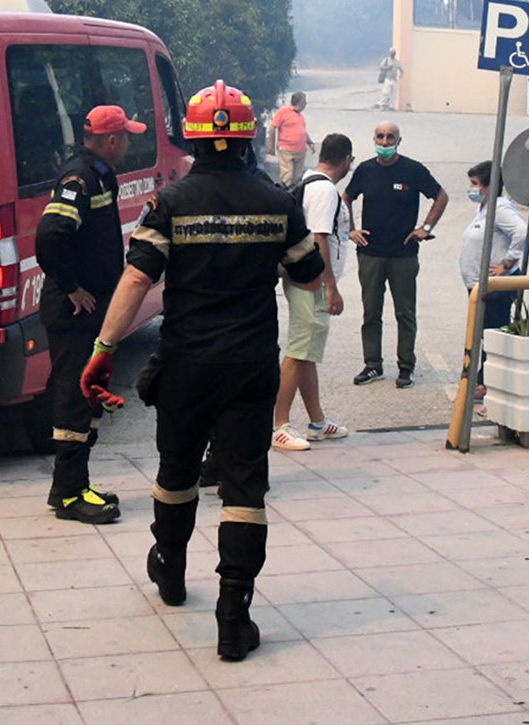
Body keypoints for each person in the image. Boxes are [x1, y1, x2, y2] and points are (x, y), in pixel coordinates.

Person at [82, 80, 324, 662]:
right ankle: (233, 618)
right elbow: (310, 276)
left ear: (192, 137)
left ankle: (169, 567)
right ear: (245, 142)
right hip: (249, 364)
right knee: (244, 484)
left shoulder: (170, 202)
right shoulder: (277, 202)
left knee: (177, 468)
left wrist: (103, 347)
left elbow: (138, 278)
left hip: (186, 361)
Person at [34, 104, 146, 524]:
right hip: (72, 312)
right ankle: (69, 495)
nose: (130, 144)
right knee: (74, 395)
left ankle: (75, 484)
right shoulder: (79, 177)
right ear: (112, 140)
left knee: (88, 393)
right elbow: (50, 235)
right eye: (128, 137)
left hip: (92, 308)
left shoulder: (100, 173)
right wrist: (72, 287)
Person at [344, 121, 448, 389]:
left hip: (403, 255)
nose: (385, 141)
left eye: (391, 137)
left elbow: (441, 196)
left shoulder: (413, 170)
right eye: (380, 136)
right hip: (370, 253)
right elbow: (346, 197)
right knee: (371, 313)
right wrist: (351, 230)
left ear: (399, 141)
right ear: (374, 139)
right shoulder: (365, 170)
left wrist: (425, 228)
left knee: (405, 313)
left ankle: (406, 367)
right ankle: (372, 365)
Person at [273, 133, 354, 451]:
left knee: (307, 353)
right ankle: (280, 424)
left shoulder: (309, 180)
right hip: (312, 282)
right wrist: (331, 287)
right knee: (298, 351)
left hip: (305, 278)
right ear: (346, 160)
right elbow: (320, 238)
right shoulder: (324, 189)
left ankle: (317, 421)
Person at [461, 161, 528, 405]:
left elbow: (521, 232)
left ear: (491, 187)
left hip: (495, 288)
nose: (471, 188)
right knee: (484, 335)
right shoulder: (485, 208)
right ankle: (483, 378)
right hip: (479, 287)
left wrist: (507, 263)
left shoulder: (499, 208)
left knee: (494, 336)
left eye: (476, 184)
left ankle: (489, 383)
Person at [268, 92, 312, 187]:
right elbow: (272, 127)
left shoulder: (300, 116)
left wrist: (310, 143)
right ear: (299, 102)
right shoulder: (284, 112)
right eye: (304, 101)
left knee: (297, 179)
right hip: (286, 150)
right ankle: (284, 195)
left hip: (300, 151)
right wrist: (271, 145)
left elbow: (302, 131)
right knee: (288, 176)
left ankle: (294, 197)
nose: (306, 104)